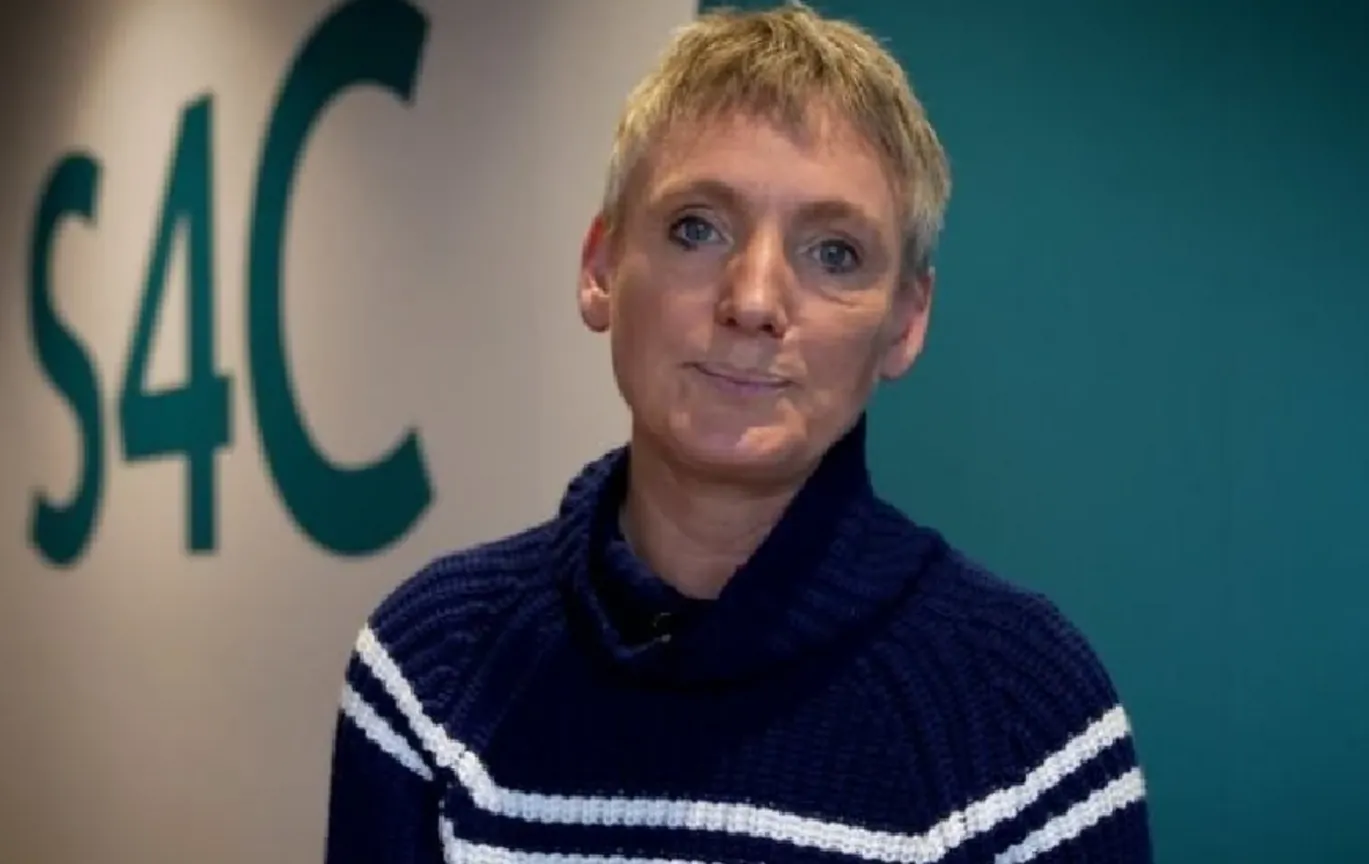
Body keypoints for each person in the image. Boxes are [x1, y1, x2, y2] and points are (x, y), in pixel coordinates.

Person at [323, 3, 1153, 862]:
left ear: (906, 322)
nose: (753, 302)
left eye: (834, 253)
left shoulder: (1025, 717)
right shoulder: (430, 668)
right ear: (600, 267)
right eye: (697, 229)